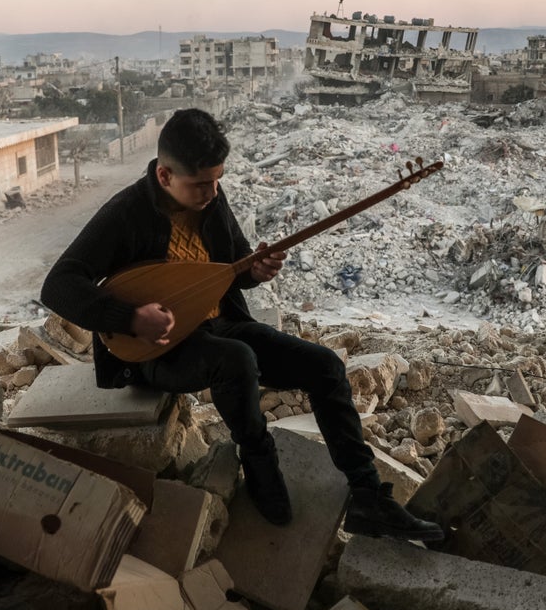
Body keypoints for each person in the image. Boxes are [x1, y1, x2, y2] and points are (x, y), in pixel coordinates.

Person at [41, 109, 443, 541]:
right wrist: (131, 317)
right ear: (163, 176)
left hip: (220, 325)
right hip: (156, 352)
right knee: (237, 359)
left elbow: (235, 268)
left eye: (217, 180)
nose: (212, 192)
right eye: (200, 183)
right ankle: (258, 459)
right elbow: (59, 285)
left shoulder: (212, 199)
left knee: (324, 365)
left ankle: (369, 498)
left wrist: (259, 269)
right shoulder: (125, 214)